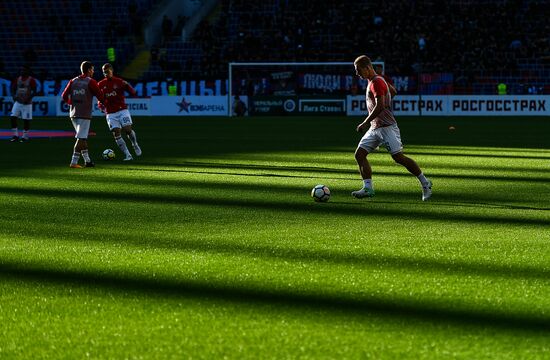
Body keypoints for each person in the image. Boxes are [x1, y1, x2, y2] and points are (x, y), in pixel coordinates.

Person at [352, 55, 432, 201]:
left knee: (398, 158)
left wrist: (364, 122)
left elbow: (380, 105)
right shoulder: (376, 80)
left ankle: (425, 183)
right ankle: (368, 188)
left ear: (367, 67)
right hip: (375, 127)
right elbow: (393, 91)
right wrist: (386, 101)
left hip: (387, 128)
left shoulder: (376, 82)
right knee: (359, 154)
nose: (357, 73)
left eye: (358, 70)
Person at [61, 61, 105, 168]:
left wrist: (71, 103)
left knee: (83, 137)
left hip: (73, 114)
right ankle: (74, 162)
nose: (93, 71)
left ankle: (87, 161)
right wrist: (104, 103)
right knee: (81, 138)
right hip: (84, 114)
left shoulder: (73, 81)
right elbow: (100, 96)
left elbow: (64, 96)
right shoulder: (91, 82)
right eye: (93, 69)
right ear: (89, 70)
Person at [97, 63, 142, 161]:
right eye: (104, 72)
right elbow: (99, 99)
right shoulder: (100, 84)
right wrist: (101, 107)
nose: (105, 73)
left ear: (111, 70)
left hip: (122, 110)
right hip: (110, 113)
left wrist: (128, 85)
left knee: (127, 129)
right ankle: (128, 155)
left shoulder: (119, 82)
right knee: (116, 133)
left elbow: (133, 93)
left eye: (107, 71)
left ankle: (135, 144)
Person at [9, 66, 37, 142]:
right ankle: (15, 135)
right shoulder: (18, 79)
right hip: (18, 102)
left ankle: (25, 136)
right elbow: (12, 87)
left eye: (24, 70)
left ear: (27, 71)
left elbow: (35, 91)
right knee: (13, 117)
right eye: (21, 70)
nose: (22, 71)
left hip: (27, 103)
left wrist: (28, 99)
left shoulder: (31, 80)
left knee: (26, 120)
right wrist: (13, 95)